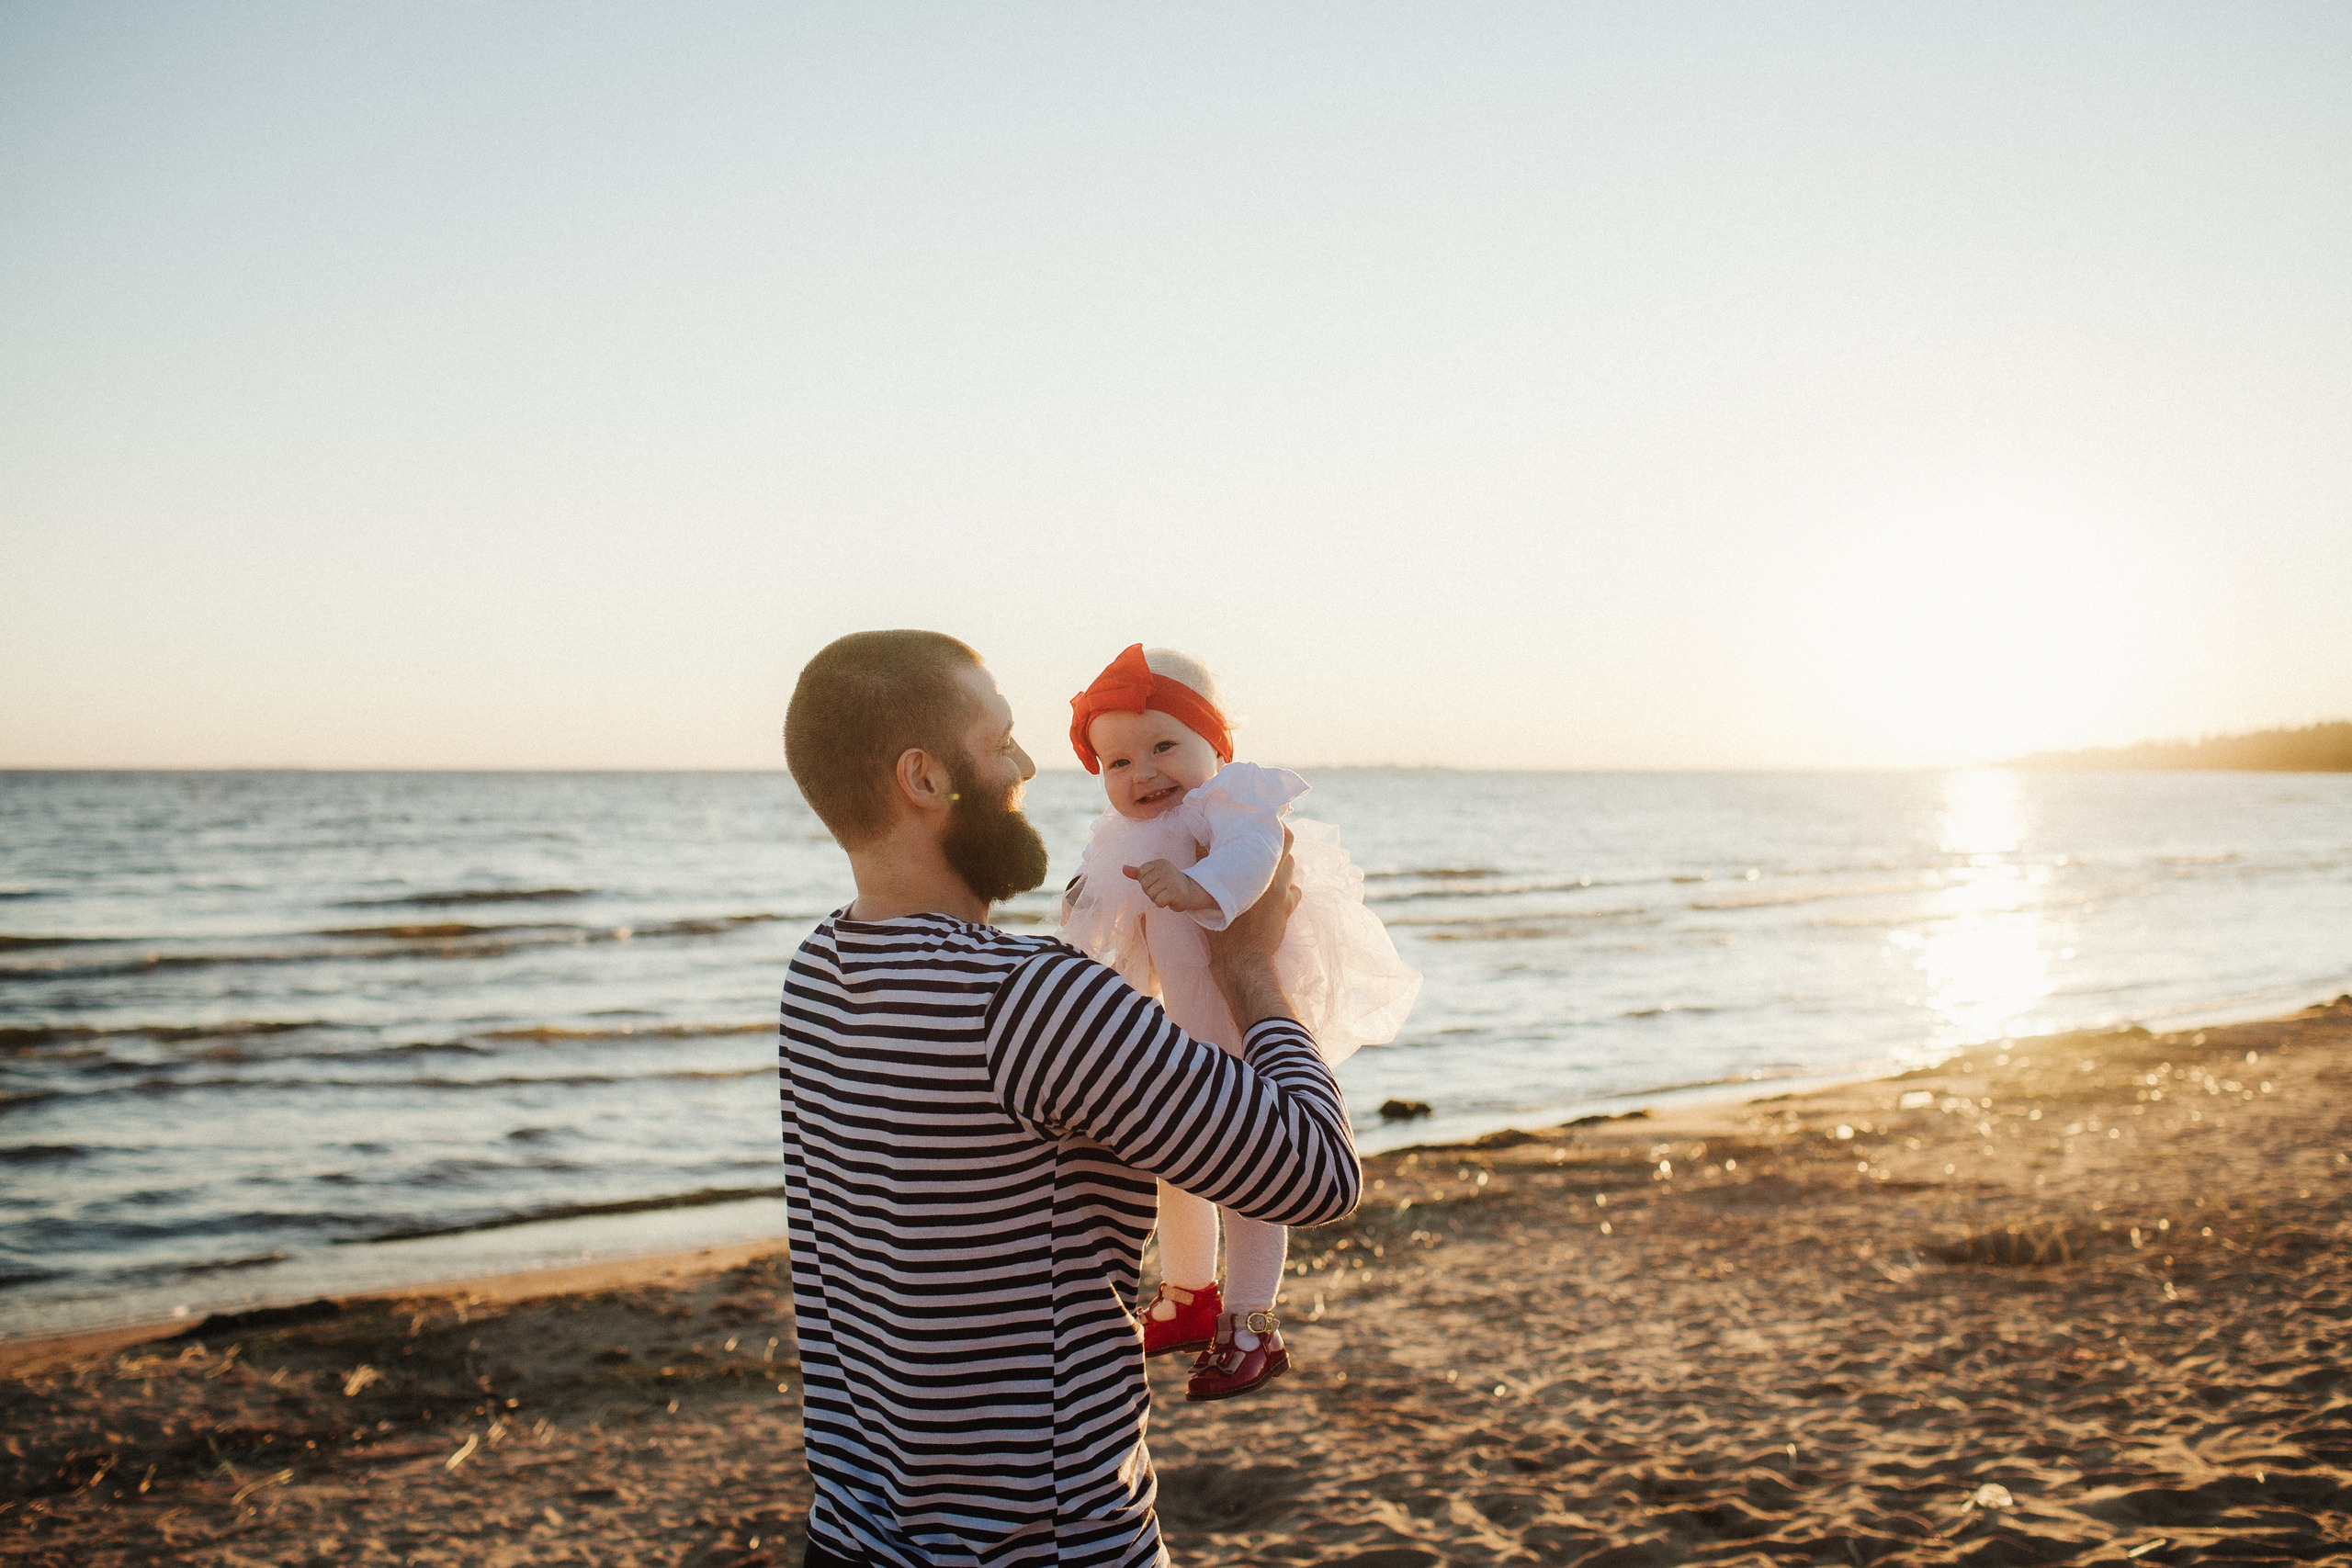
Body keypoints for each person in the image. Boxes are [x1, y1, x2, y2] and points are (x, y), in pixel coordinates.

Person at [778, 629, 1361, 1568]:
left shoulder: (817, 974)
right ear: (925, 779)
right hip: (1044, 1548)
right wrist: (1248, 964)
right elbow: (1315, 1173)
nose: (1028, 766)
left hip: (852, 1539)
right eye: (999, 741)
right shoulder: (1030, 998)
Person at [1058, 645, 1419, 1402]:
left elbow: (1256, 862)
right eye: (1118, 761)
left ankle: (1253, 1322)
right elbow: (1107, 936)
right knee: (1177, 1167)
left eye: (1164, 746)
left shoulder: (1232, 808)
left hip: (1253, 1033)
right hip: (1186, 1037)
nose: (1143, 773)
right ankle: (1189, 1292)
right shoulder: (1127, 839)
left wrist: (1198, 887)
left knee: (1253, 1179)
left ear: (1216, 746)